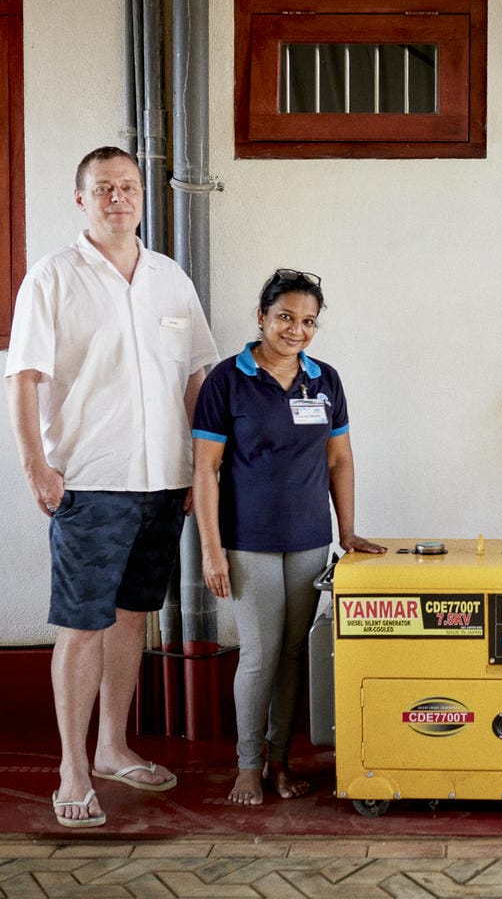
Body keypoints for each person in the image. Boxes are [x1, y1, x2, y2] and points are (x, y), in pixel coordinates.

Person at [5, 146, 219, 829]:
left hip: (163, 483)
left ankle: (113, 747)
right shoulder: (53, 277)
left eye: (127, 187)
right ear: (81, 199)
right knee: (81, 627)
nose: (118, 198)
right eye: (104, 189)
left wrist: (198, 462)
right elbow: (25, 375)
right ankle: (72, 768)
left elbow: (196, 375)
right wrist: (36, 465)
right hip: (90, 483)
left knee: (132, 617)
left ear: (141, 197)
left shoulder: (169, 278)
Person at [192, 269, 385, 806]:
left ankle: (280, 761)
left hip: (308, 538)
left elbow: (339, 458)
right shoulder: (227, 380)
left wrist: (347, 532)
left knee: (294, 653)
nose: (295, 330)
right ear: (261, 317)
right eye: (284, 317)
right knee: (260, 653)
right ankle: (248, 766)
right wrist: (211, 550)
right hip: (248, 540)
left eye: (307, 321)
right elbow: (205, 470)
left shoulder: (325, 381)